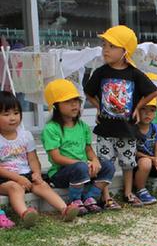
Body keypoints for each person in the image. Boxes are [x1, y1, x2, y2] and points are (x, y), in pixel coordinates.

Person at [84, 25, 157, 207]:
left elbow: (153, 92)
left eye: (111, 46)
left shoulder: (134, 74)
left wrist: (138, 108)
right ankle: (106, 197)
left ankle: (128, 193)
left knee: (128, 163)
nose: (105, 50)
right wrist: (98, 107)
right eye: (104, 45)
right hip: (106, 128)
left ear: (125, 51)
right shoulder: (101, 72)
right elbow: (88, 92)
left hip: (127, 129)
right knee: (105, 163)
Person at [0, 91, 79, 227]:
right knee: (15, 188)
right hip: (6, 178)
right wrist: (17, 178)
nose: (12, 118)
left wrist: (36, 172)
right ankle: (25, 214)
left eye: (16, 113)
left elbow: (33, 159)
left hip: (26, 174)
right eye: (6, 114)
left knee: (42, 185)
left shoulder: (26, 135)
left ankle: (64, 209)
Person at [41, 79, 117, 214]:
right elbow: (56, 157)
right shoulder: (51, 128)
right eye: (68, 102)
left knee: (108, 166)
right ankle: (74, 200)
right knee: (80, 167)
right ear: (55, 106)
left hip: (83, 169)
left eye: (76, 100)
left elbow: (88, 149)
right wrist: (82, 163)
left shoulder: (82, 126)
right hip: (60, 174)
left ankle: (90, 197)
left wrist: (94, 161)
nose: (74, 105)